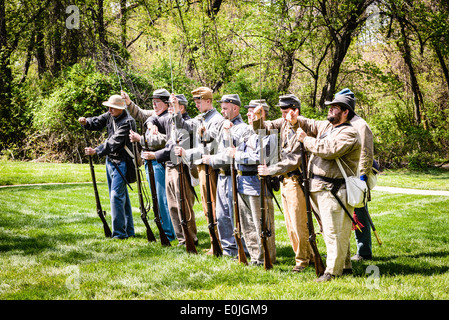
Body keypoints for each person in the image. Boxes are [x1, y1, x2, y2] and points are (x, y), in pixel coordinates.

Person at [292, 91, 361, 282]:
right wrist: (294, 116)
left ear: (346, 112)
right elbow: (311, 123)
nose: (330, 109)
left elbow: (328, 150)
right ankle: (344, 266)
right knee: (333, 231)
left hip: (334, 189)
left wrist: (305, 139)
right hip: (321, 187)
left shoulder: (349, 132)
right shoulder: (329, 127)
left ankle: (332, 271)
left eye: (335, 107)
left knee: (334, 232)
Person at [255, 94, 313, 272]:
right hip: (286, 181)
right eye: (282, 112)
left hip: (297, 180)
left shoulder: (302, 126)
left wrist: (270, 170)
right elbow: (264, 128)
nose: (283, 116)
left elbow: (293, 160)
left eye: (286, 112)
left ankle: (303, 260)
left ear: (296, 110)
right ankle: (305, 255)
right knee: (290, 224)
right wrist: (258, 118)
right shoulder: (284, 123)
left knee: (299, 223)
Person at [173, 87, 224, 255]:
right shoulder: (200, 118)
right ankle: (213, 243)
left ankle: (220, 244)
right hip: (201, 168)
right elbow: (183, 125)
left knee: (213, 206)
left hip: (211, 168)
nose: (196, 105)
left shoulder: (217, 120)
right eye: (195, 102)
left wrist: (187, 152)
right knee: (206, 206)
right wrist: (175, 109)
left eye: (199, 102)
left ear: (208, 101)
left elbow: (213, 148)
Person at [122, 89, 176, 242]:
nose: (154, 104)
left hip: (161, 162)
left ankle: (169, 233)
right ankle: (164, 231)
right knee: (156, 199)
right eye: (153, 101)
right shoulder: (154, 115)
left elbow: (166, 141)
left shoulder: (170, 118)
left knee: (163, 198)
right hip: (150, 162)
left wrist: (141, 139)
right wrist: (128, 102)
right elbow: (139, 113)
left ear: (166, 103)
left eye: (157, 101)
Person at [79, 94, 136, 239]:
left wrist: (96, 151)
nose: (110, 110)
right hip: (111, 161)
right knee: (121, 197)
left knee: (116, 197)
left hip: (122, 163)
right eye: (109, 107)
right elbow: (97, 121)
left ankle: (119, 234)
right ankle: (129, 231)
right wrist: (87, 122)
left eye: (113, 107)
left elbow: (114, 142)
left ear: (121, 108)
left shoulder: (128, 122)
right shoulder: (110, 115)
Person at [228, 99, 277, 265]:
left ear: (261, 113)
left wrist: (238, 156)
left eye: (252, 111)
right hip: (242, 181)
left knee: (262, 224)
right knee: (247, 224)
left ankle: (268, 257)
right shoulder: (246, 132)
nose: (248, 114)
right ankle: (256, 257)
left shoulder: (270, 132)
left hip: (258, 183)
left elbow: (262, 157)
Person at [202, 94, 250, 257]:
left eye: (225, 108)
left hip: (233, 176)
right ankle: (229, 249)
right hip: (221, 175)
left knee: (234, 214)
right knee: (222, 215)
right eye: (221, 108)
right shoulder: (224, 126)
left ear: (235, 108)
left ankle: (243, 248)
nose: (222, 111)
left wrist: (211, 159)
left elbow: (229, 155)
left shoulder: (242, 128)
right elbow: (211, 142)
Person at [333, 89, 375, 261]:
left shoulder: (360, 125)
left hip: (356, 176)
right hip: (340, 175)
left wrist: (363, 177)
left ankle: (364, 251)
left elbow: (366, 152)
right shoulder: (337, 123)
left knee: (359, 214)